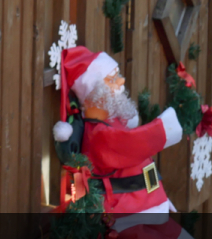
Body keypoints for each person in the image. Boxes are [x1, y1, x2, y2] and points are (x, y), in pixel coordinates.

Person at [53, 46, 184, 214]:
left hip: (148, 202)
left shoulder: (112, 121)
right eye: (113, 79)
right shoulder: (99, 133)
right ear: (95, 93)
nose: (122, 81)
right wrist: (164, 128)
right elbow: (133, 144)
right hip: (129, 210)